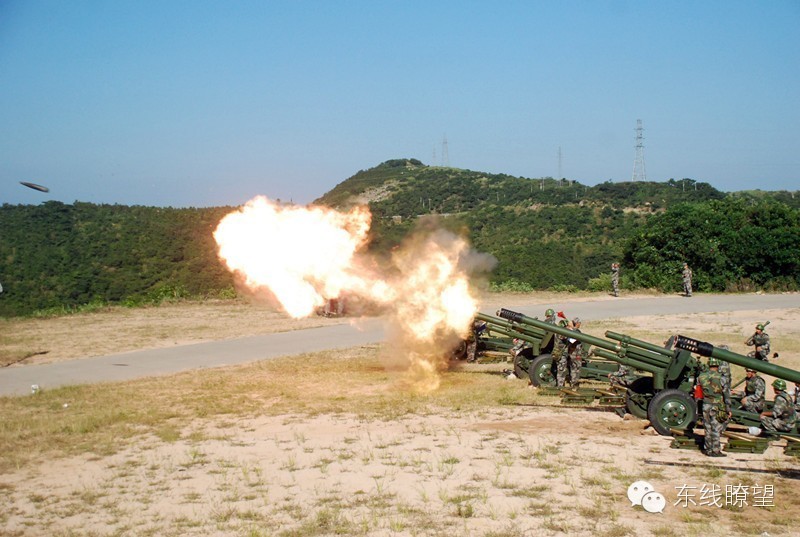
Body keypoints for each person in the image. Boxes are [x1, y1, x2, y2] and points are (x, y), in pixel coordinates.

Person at [697, 357, 731, 457]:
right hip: (717, 405)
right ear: (718, 365)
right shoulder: (722, 378)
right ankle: (715, 450)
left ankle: (708, 450)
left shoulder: (701, 377)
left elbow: (698, 393)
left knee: (707, 428)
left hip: (706, 404)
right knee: (716, 428)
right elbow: (726, 394)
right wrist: (728, 408)